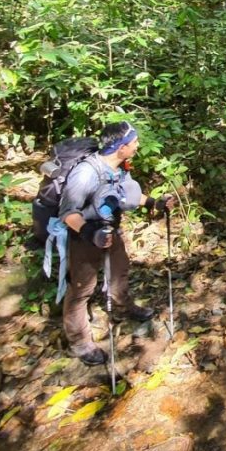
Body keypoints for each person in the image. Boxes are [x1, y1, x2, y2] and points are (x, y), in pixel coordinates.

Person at [59, 121, 175, 365]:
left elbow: (127, 195)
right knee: (82, 289)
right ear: (121, 147)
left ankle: (122, 306)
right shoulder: (86, 173)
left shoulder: (119, 167)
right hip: (85, 236)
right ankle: (79, 343)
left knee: (120, 271)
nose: (137, 146)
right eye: (133, 143)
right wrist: (91, 233)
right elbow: (68, 213)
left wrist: (154, 202)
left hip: (111, 230)